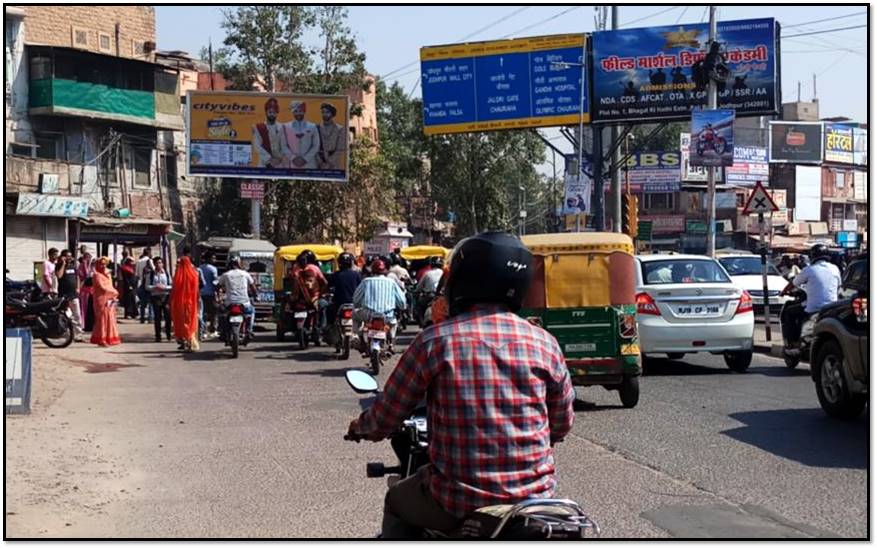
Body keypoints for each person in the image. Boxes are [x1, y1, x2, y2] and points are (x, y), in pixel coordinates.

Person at [347, 232, 574, 538]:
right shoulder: (545, 343)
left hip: (458, 501)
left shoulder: (434, 341)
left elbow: (385, 418)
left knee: (396, 499)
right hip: (536, 501)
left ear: (463, 282)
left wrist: (359, 427)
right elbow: (560, 424)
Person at [781, 244, 843, 346]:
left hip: (813, 307)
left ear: (813, 256)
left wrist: (783, 292)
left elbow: (793, 283)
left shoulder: (809, 270)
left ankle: (793, 342)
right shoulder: (835, 269)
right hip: (831, 307)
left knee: (789, 312)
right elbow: (839, 286)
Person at [352, 259, 406, 352]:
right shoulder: (391, 282)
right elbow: (401, 301)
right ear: (385, 270)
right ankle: (391, 343)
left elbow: (356, 298)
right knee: (394, 324)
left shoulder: (366, 281)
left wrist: (357, 305)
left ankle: (361, 339)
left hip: (368, 314)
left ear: (372, 270)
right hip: (387, 315)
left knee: (354, 315)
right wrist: (402, 307)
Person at [217, 257, 257, 337]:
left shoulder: (226, 275)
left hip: (229, 303)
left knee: (221, 313)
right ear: (239, 264)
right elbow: (253, 287)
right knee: (252, 311)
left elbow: (218, 286)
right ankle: (249, 330)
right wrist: (256, 295)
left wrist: (219, 296)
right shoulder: (245, 274)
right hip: (244, 303)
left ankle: (222, 330)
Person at [171, 249, 200, 352]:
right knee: (190, 321)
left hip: (179, 304)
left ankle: (183, 341)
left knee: (181, 322)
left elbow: (174, 290)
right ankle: (191, 342)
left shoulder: (177, 276)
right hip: (191, 303)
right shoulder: (194, 275)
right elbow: (197, 290)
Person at [90, 257, 121, 347]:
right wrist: (115, 292)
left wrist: (113, 294)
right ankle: (101, 339)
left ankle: (109, 338)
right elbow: (102, 288)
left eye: (104, 264)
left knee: (110, 318)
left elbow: (110, 285)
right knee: (102, 319)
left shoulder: (108, 274)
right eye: (101, 264)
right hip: (101, 300)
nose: (103, 266)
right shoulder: (96, 275)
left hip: (110, 299)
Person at [55, 249, 84, 342]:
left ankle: (78, 334)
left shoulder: (73, 266)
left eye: (70, 256)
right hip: (64, 295)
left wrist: (78, 287)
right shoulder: (58, 266)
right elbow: (59, 276)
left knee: (77, 315)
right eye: (67, 256)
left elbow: (77, 277)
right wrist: (63, 264)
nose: (69, 258)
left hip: (74, 294)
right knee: (66, 315)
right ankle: (67, 333)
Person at [252, 97, 288, 168]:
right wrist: (269, 159)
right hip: (264, 163)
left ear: (277, 113)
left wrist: (280, 158)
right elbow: (257, 146)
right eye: (270, 112)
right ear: (266, 112)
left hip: (279, 163)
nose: (272, 114)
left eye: (274, 112)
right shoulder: (258, 127)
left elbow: (284, 145)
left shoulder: (282, 127)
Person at [282, 101, 319, 170]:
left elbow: (316, 145)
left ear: (304, 111)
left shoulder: (312, 126)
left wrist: (305, 159)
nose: (298, 113)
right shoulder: (286, 126)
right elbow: (283, 145)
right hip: (292, 163)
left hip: (309, 163)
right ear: (293, 112)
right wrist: (293, 158)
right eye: (296, 111)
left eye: (300, 111)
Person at [327, 252, 362, 325]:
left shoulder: (336, 275)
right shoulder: (356, 274)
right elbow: (360, 288)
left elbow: (329, 287)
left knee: (329, 316)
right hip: (354, 303)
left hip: (339, 304)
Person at [147, 257, 173, 343]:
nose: (159, 265)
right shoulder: (150, 274)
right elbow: (147, 287)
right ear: (154, 264)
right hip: (156, 297)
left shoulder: (167, 274)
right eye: (157, 263)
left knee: (168, 317)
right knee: (157, 318)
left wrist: (165, 287)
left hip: (166, 297)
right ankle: (158, 336)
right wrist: (155, 287)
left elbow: (171, 285)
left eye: (160, 263)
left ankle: (168, 334)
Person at [317, 102, 346, 170]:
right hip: (319, 165)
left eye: (327, 112)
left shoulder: (340, 129)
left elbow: (340, 148)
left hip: (334, 165)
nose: (325, 114)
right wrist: (320, 162)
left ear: (332, 114)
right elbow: (313, 146)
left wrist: (329, 162)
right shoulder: (317, 128)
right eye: (323, 112)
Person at [199, 252, 220, 337]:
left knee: (202, 313)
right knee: (213, 312)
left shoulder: (199, 268)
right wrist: (217, 293)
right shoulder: (213, 269)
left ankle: (203, 331)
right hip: (211, 293)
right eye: (213, 258)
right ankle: (212, 330)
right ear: (208, 259)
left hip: (201, 293)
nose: (215, 260)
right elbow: (215, 282)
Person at [77, 251, 95, 332]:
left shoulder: (92, 267)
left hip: (92, 290)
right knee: (84, 308)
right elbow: (82, 277)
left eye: (89, 258)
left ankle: (91, 325)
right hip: (84, 290)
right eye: (86, 258)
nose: (88, 259)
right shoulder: (81, 266)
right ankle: (85, 325)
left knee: (91, 308)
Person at [136, 248, 155, 323]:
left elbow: (137, 274)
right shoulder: (149, 260)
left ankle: (142, 317)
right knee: (150, 301)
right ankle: (150, 317)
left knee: (142, 302)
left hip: (141, 283)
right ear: (149, 253)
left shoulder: (138, 261)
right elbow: (154, 269)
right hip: (149, 282)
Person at [119, 251, 138, 319]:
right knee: (128, 300)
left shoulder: (131, 268)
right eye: (131, 262)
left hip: (133, 286)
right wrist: (129, 285)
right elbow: (126, 279)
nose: (133, 263)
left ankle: (133, 313)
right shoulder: (125, 269)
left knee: (133, 300)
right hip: (128, 287)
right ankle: (128, 313)